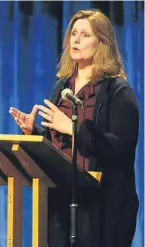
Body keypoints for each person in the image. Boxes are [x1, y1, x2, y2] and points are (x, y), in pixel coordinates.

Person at [9, 9, 139, 247]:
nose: (76, 40)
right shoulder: (62, 87)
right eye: (73, 33)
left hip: (102, 206)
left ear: (102, 42)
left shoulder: (118, 91)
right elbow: (57, 146)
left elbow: (121, 149)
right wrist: (33, 133)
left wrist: (72, 128)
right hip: (60, 198)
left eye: (85, 35)